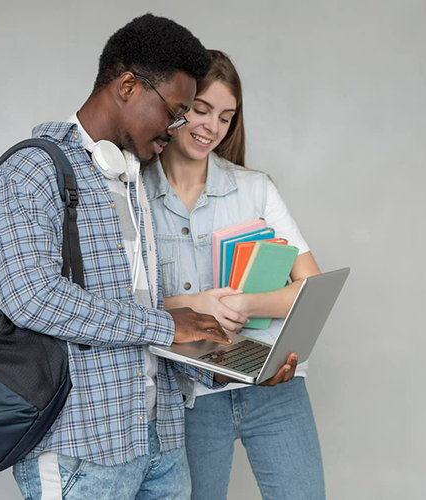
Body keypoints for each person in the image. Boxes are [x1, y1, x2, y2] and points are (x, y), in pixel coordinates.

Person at [0, 16, 298, 500]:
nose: (176, 129)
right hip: (81, 454)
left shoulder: (131, 181)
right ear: (128, 86)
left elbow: (134, 320)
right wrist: (169, 326)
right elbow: (33, 298)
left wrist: (219, 366)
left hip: (160, 445)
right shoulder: (29, 172)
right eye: (174, 111)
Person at [143, 50, 324, 500]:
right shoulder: (135, 193)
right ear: (178, 104)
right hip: (186, 399)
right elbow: (117, 308)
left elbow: (310, 286)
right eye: (200, 110)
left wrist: (244, 305)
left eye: (225, 117)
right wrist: (194, 304)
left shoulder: (255, 188)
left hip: (271, 385)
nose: (211, 127)